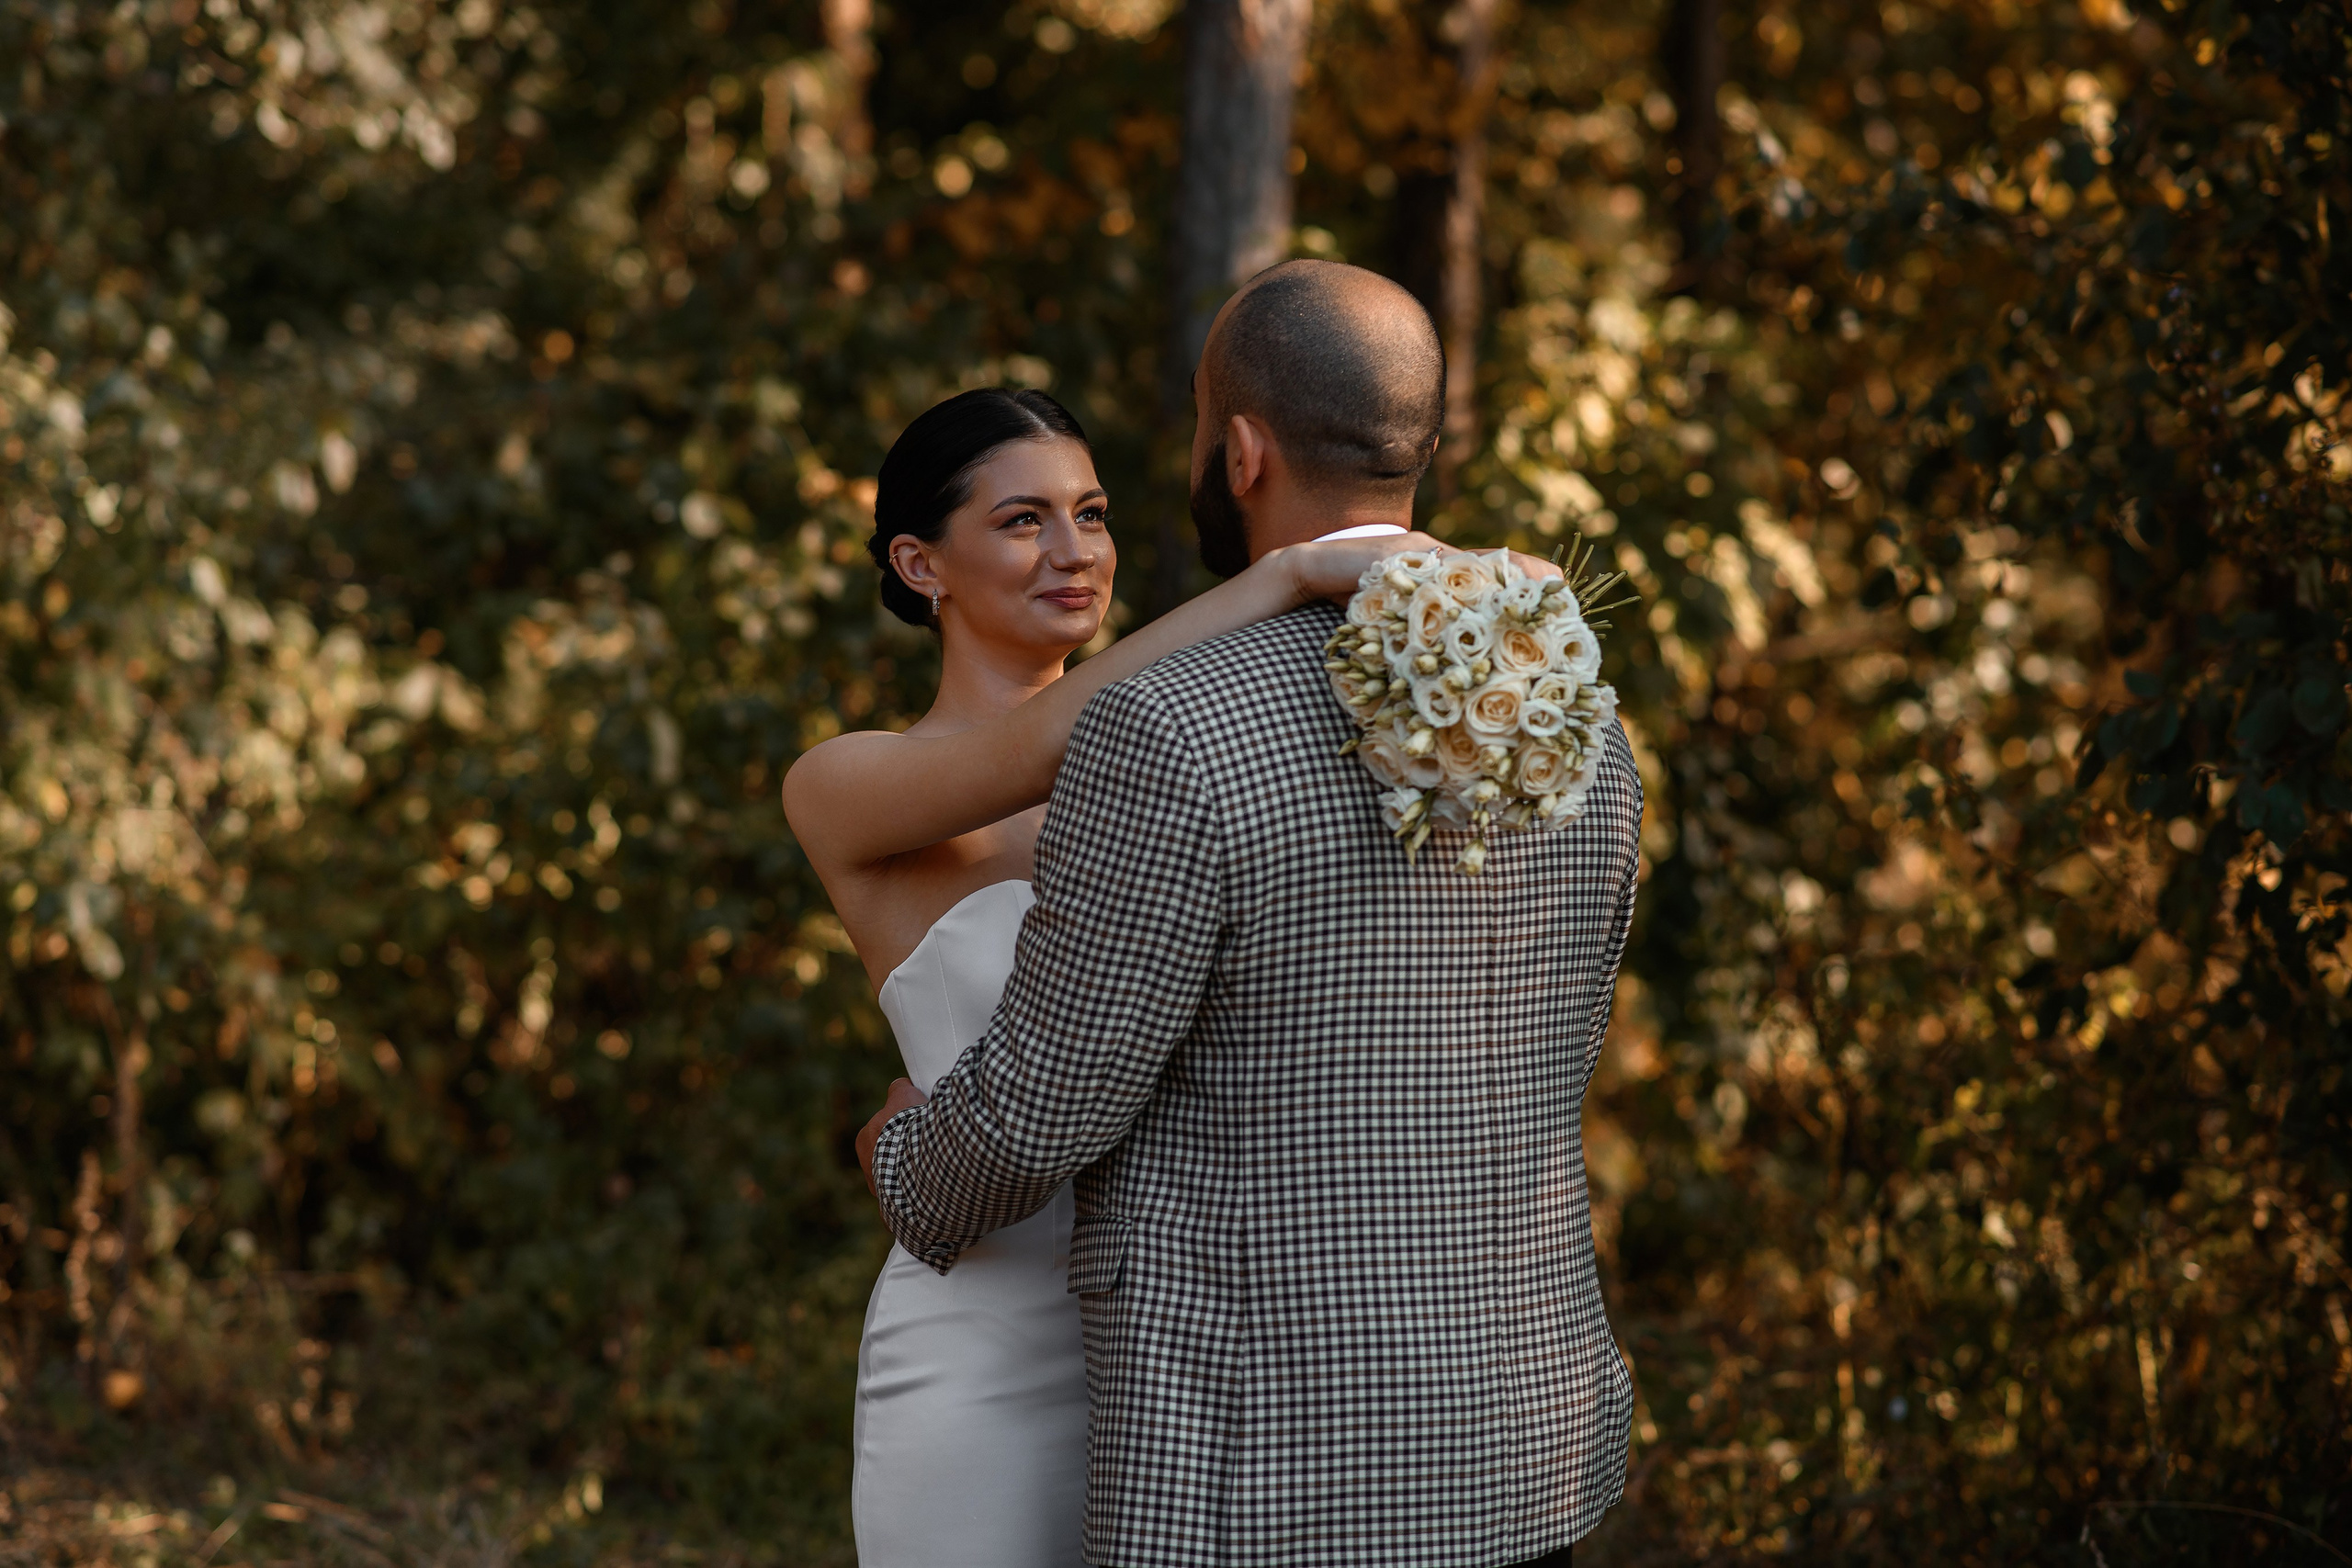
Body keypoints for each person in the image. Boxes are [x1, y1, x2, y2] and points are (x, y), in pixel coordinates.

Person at [859, 261, 1642, 1568]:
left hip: (1270, 1471)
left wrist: (900, 1162)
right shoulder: (1577, 718)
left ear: (1239, 451)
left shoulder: (1172, 728)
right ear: (1423, 451)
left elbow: (1047, 1100)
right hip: (1523, 1446)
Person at [783, 384, 1452, 1568]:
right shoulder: (845, 782)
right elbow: (1032, 748)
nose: (1074, 551)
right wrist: (1287, 578)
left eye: (1089, 515)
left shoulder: (1175, 773)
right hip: (984, 1344)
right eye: (1021, 521)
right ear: (919, 564)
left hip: (1192, 1351)